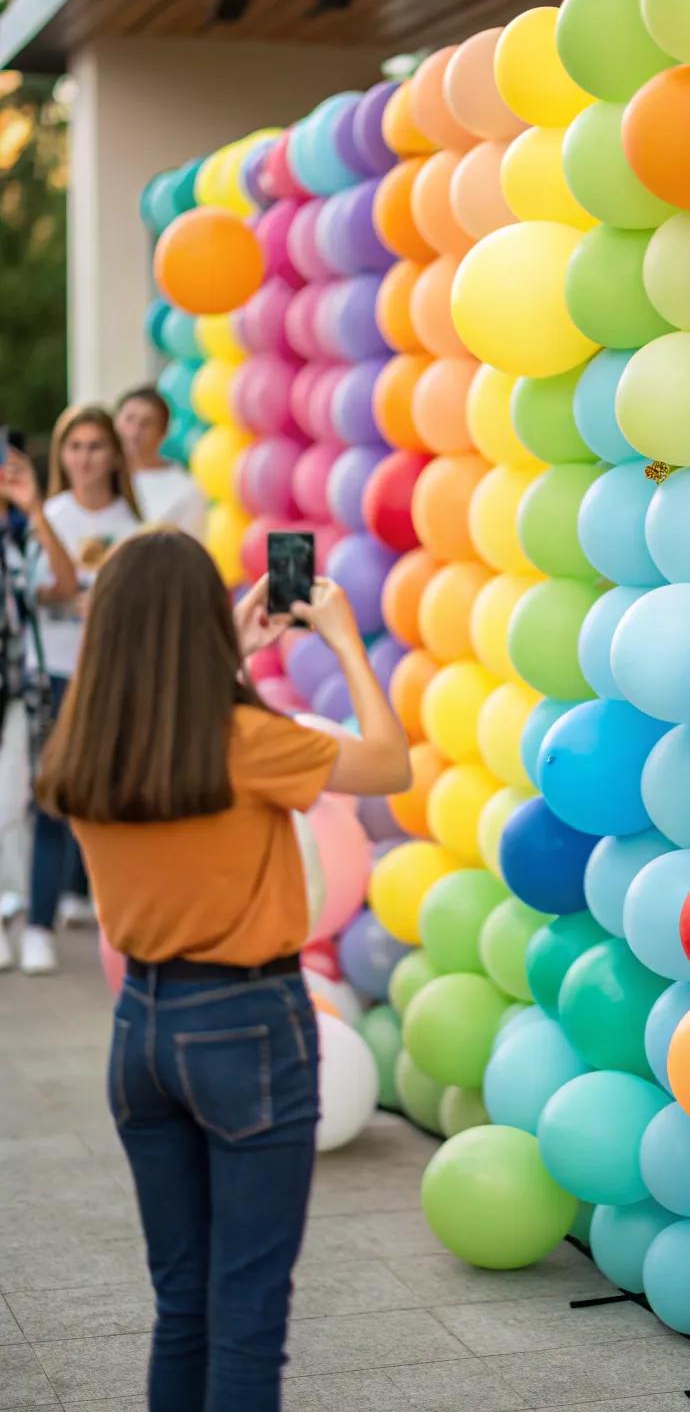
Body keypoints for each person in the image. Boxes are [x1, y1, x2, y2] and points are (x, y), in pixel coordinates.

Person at [37, 529, 411, 1411]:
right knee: (247, 1320)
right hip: (248, 1025)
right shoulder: (248, 739)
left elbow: (165, 722)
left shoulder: (83, 748)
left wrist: (227, 656)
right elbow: (389, 763)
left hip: (140, 1031)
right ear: (203, 619)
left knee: (182, 1309)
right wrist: (347, 642)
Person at [19, 405, 141, 975]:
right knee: (51, 801)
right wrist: (71, 598)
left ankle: (106, 911)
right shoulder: (45, 515)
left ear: (115, 454)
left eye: (96, 446)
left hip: (114, 675)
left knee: (110, 799)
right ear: (61, 456)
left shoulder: (135, 524)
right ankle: (38, 926)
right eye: (75, 447)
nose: (85, 458)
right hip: (58, 673)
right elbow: (36, 591)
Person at [0, 448, 77, 969]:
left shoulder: (25, 535)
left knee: (45, 800)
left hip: (28, 684)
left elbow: (65, 586)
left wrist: (35, 511)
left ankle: (38, 925)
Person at [115, 386, 207, 538]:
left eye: (146, 423)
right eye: (129, 419)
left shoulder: (185, 489)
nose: (135, 431)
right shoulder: (98, 477)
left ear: (163, 432)